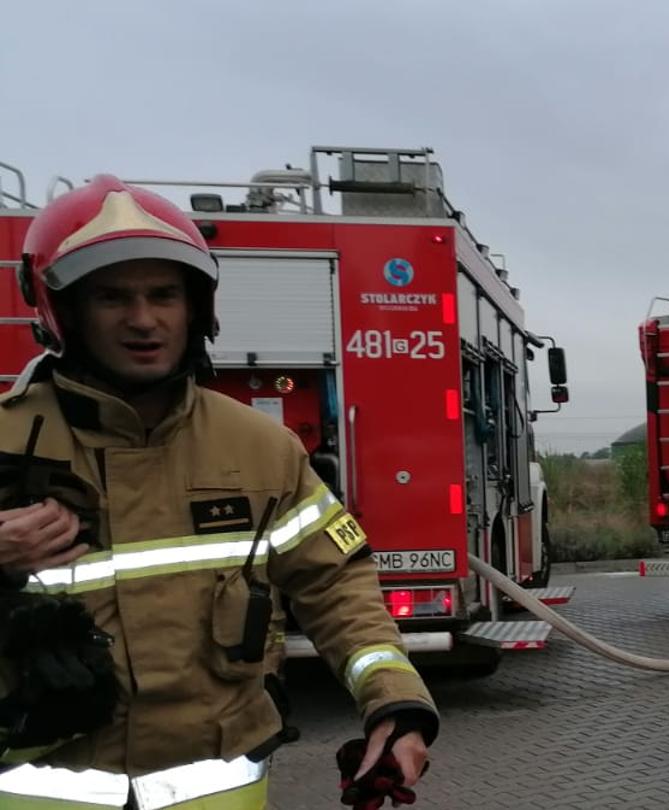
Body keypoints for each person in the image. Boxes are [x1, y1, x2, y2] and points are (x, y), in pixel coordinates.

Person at [0, 175, 439, 808]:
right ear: (61, 309)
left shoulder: (260, 448)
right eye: (112, 297)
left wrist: (394, 700)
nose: (143, 320)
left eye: (163, 294)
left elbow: (335, 585)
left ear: (196, 306)